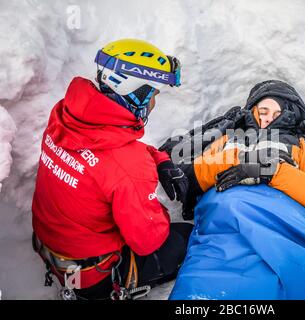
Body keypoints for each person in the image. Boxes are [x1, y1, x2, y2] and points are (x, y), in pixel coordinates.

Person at [31, 39, 193, 300]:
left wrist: (159, 159)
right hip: (93, 277)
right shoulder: (126, 165)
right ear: (136, 92)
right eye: (152, 94)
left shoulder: (65, 115)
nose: (153, 103)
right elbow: (148, 240)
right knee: (186, 239)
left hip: (54, 246)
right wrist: (153, 207)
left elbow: (106, 154)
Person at [178, 80, 305, 226]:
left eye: (276, 114)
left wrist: (272, 171)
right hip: (220, 225)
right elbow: (186, 180)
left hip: (277, 226)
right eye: (263, 111)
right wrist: (244, 162)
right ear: (252, 110)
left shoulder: (301, 145)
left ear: (288, 116)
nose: (267, 118)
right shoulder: (230, 138)